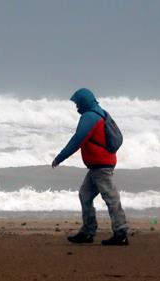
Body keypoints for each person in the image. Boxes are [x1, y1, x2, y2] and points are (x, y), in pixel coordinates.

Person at [51, 88, 129, 246]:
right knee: (85, 195)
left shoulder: (90, 116)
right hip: (97, 166)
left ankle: (120, 232)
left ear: (84, 101)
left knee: (111, 198)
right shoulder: (101, 112)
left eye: (77, 102)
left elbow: (77, 140)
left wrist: (59, 157)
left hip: (101, 166)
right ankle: (88, 231)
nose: (76, 106)